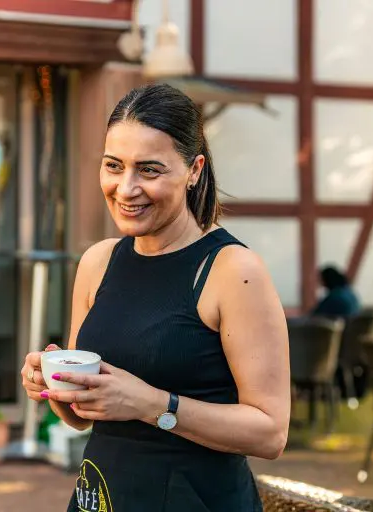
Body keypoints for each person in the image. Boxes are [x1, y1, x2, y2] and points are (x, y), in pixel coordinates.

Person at [20, 83, 290, 511]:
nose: (125, 188)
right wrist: (55, 390)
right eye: (114, 166)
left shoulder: (232, 270)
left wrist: (152, 404)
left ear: (194, 170)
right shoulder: (97, 262)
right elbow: (83, 417)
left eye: (149, 170)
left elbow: (270, 433)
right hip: (101, 497)